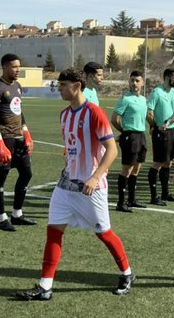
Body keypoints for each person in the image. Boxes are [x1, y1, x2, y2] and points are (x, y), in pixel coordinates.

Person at [17, 70, 133, 299]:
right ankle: (45, 287)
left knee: (104, 233)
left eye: (63, 85)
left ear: (77, 86)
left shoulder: (95, 113)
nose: (58, 88)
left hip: (90, 187)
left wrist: (95, 176)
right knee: (53, 230)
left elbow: (112, 150)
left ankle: (127, 272)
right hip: (65, 184)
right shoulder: (64, 115)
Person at [0, 53, 34, 230]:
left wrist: (26, 133)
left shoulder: (17, 86)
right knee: (1, 177)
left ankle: (17, 214)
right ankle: (1, 218)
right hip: (5, 139)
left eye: (19, 67)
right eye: (14, 67)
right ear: (5, 67)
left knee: (26, 173)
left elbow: (18, 111)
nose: (18, 70)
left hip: (19, 139)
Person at [112, 69, 148, 212]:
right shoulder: (125, 99)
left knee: (137, 168)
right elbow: (114, 119)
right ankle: (121, 203)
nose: (134, 83)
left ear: (142, 83)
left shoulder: (143, 99)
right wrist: (124, 132)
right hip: (130, 136)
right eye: (132, 80)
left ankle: (132, 199)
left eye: (137, 80)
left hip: (141, 135)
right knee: (127, 169)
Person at [146, 67, 174, 204]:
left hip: (172, 130)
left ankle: (165, 193)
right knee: (158, 162)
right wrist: (155, 126)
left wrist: (169, 121)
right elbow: (149, 112)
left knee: (169, 162)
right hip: (160, 132)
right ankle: (153, 196)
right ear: (167, 78)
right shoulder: (157, 92)